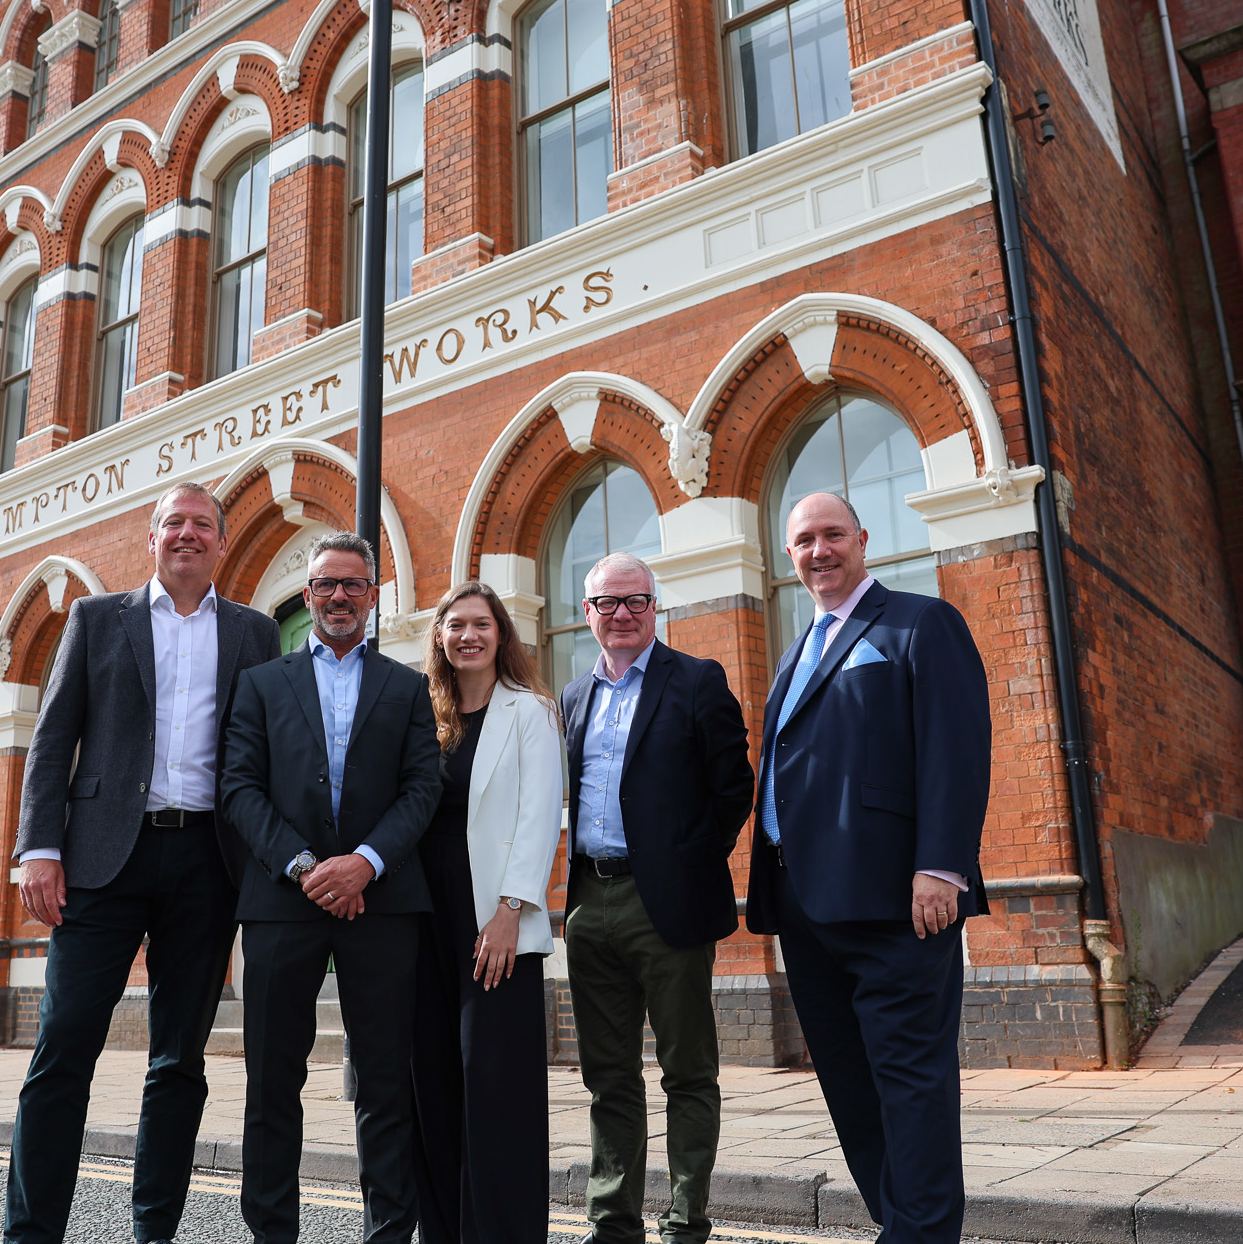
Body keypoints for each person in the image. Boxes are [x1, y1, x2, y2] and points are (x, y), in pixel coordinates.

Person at [6, 482, 281, 1244]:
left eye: (201, 525)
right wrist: (40, 845)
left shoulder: (255, 634)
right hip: (100, 861)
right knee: (63, 1049)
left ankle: (153, 1230)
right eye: (173, 523)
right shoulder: (98, 619)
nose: (187, 534)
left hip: (207, 860)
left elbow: (268, 753)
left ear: (223, 545)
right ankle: (30, 1233)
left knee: (178, 1060)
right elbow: (53, 736)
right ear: (151, 537)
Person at [745, 491, 991, 1244]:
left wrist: (943, 865)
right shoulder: (795, 649)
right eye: (803, 541)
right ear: (789, 556)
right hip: (801, 902)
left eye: (831, 535)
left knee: (911, 1083)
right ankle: (904, 1219)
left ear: (862, 540)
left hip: (895, 900)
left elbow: (956, 743)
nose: (818, 551)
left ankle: (919, 1233)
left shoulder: (920, 622)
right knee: (851, 1086)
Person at [219, 531, 442, 1244]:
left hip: (382, 902)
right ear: (307, 594)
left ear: (372, 596)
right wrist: (306, 865)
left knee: (384, 1083)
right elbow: (240, 787)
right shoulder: (260, 683)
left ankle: (387, 1233)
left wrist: (365, 862)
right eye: (325, 584)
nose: (339, 595)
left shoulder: (406, 686)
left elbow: (421, 789)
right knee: (273, 1084)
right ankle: (271, 1233)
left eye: (353, 584)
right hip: (283, 902)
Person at [559, 551, 755, 1244]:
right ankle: (613, 1221)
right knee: (608, 1074)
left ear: (654, 607)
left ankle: (684, 1219)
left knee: (687, 1071)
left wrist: (686, 862)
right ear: (586, 613)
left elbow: (735, 788)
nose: (621, 614)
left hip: (663, 902)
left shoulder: (697, 681)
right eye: (607, 603)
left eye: (635, 600)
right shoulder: (572, 696)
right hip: (588, 901)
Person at [411, 580, 565, 1244]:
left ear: (500, 633)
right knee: (434, 1086)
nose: (468, 635)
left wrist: (510, 910)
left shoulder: (530, 710)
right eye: (456, 625)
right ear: (440, 638)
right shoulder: (424, 717)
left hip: (494, 925)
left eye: (481, 624)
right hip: (424, 924)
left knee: (496, 1088)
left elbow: (539, 818)